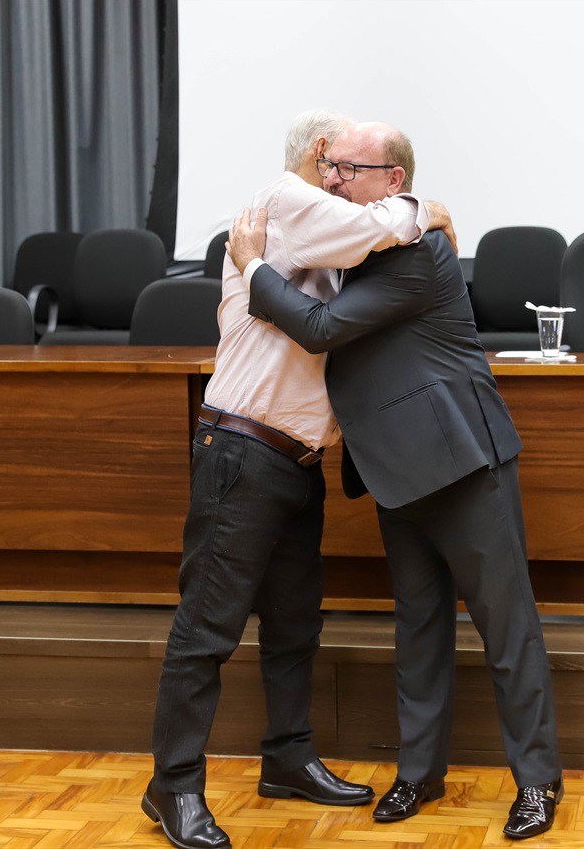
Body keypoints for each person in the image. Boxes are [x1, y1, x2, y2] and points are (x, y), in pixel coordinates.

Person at [230, 121, 563, 841]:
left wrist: (256, 270)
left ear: (394, 183)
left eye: (351, 167)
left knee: (508, 629)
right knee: (417, 628)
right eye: (332, 165)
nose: (334, 179)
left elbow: (318, 328)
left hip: (464, 464)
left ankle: (537, 783)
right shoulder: (356, 243)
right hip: (394, 471)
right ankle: (419, 774)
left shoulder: (419, 251)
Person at [143, 109, 455, 849]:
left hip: (296, 461)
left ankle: (287, 757)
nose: (346, 180)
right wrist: (423, 207)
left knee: (293, 626)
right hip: (243, 453)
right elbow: (393, 222)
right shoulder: (280, 207)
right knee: (208, 627)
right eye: (338, 167)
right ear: (318, 160)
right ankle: (174, 786)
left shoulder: (319, 239)